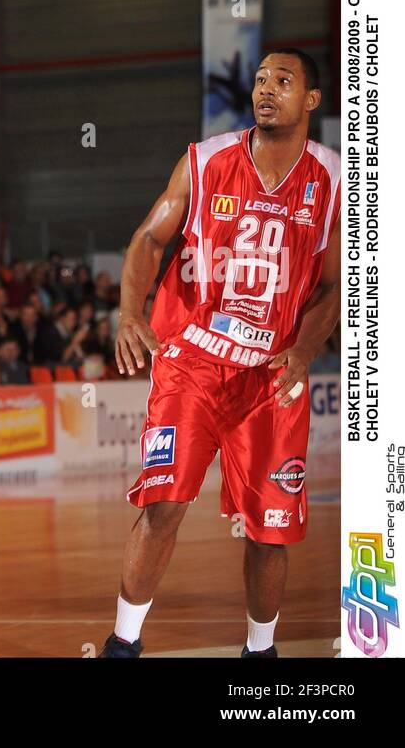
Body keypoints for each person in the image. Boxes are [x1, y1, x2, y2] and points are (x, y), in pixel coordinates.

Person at [100, 50, 341, 660]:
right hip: (194, 360)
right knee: (166, 502)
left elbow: (338, 285)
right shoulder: (206, 161)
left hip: (271, 374)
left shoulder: (334, 179)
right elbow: (149, 238)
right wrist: (129, 313)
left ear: (311, 101)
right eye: (260, 79)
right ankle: (123, 644)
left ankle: (260, 653)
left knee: (269, 532)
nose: (266, 89)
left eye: (283, 81)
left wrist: (306, 348)